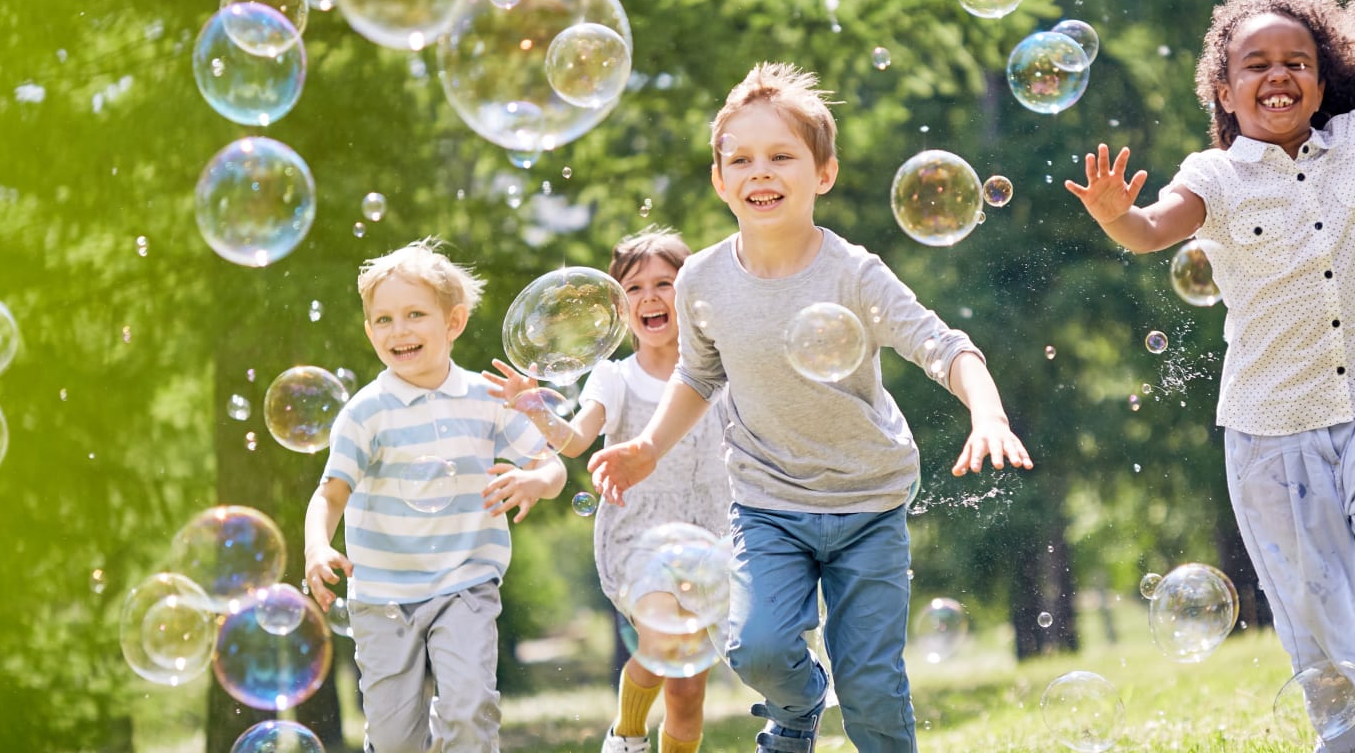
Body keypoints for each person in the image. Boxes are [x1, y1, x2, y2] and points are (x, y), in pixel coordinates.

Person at [1065, 0, 1355, 752]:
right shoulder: (1215, 176)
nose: (1279, 75)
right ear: (1224, 93)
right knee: (1311, 616)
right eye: (1256, 64)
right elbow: (1154, 228)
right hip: (1269, 434)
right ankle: (1351, 741)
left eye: (1297, 62)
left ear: (1322, 81)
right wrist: (1115, 219)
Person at [587, 62, 1034, 753]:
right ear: (719, 180)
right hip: (767, 503)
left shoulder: (853, 272)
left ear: (822, 173)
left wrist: (989, 414)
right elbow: (699, 375)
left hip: (868, 500)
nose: (759, 172)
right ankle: (797, 709)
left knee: (874, 689)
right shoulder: (702, 278)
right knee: (757, 648)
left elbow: (944, 346)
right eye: (741, 159)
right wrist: (648, 446)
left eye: (781, 156)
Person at [302, 238, 567, 753]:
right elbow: (329, 495)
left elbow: (550, 464)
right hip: (382, 596)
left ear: (454, 323)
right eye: (383, 320)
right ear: (369, 331)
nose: (398, 330)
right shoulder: (365, 411)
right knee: (394, 739)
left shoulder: (487, 399)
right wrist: (317, 545)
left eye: (415, 314)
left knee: (469, 712)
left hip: (465, 584)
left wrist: (536, 481)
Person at [485, 227, 731, 753]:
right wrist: (536, 411)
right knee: (662, 638)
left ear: (689, 294)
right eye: (635, 288)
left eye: (665, 283)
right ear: (620, 309)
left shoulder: (721, 369)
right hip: (639, 536)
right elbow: (574, 441)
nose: (650, 297)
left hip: (712, 537)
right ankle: (626, 734)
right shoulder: (613, 378)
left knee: (687, 692)